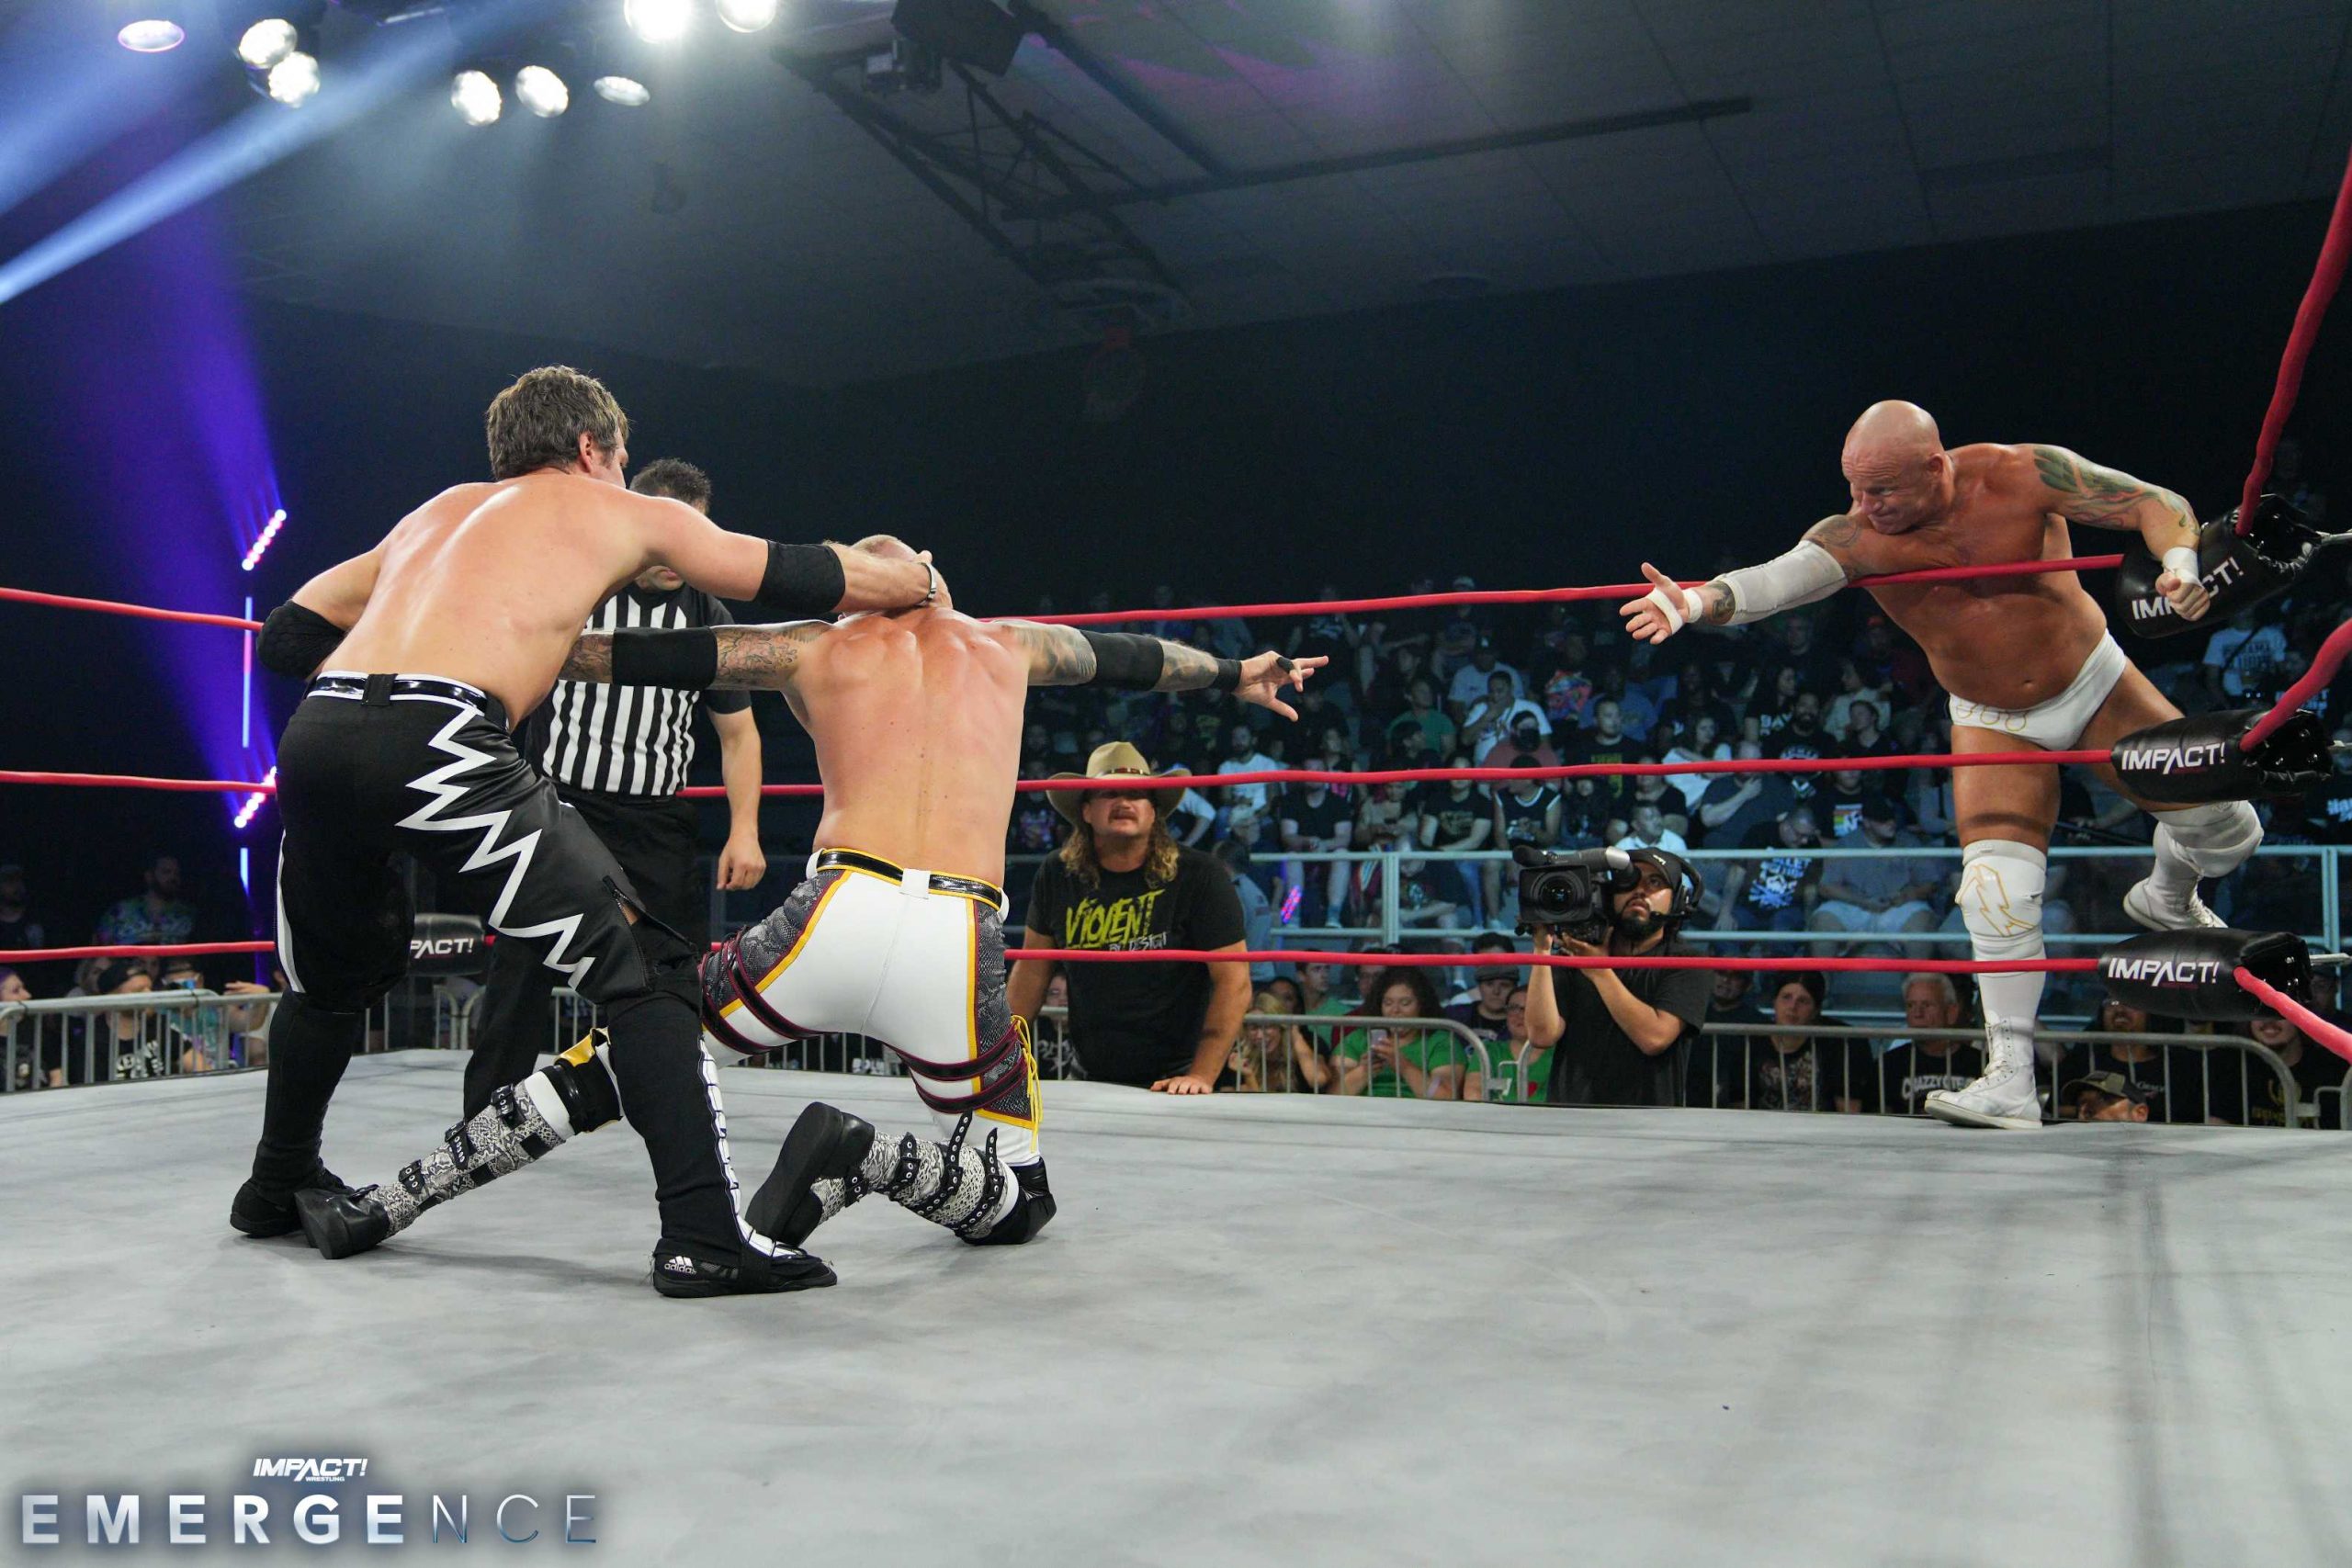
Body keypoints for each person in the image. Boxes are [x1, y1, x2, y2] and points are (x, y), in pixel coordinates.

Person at [243, 364, 940, 1298]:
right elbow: (787, 571)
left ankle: (277, 1180)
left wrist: (409, 668)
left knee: (331, 982)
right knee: (646, 967)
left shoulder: (434, 516)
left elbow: (286, 636)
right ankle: (703, 1234)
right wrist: (915, 577)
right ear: (591, 448)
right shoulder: (617, 509)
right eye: (619, 456)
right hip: (441, 738)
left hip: (320, 733)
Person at [561, 573, 1318, 1252]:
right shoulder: (1005, 645)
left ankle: (478, 1150)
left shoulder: (822, 646)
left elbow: (669, 653)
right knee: (1023, 1200)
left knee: (641, 1045)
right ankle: (869, 1158)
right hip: (956, 931)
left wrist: (533, 648)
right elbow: (1130, 657)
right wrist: (1232, 672)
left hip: (836, 907)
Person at [1623, 400, 2241, 1131]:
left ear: (1934, 465)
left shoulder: (2020, 473)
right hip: (1992, 721)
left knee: (2230, 826)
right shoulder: (1857, 537)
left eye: (1882, 488)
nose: (1865, 504)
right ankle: (2010, 1078)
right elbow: (1774, 581)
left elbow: (2152, 502)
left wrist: (2179, 565)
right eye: (1855, 487)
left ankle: (2167, 892)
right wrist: (1696, 603)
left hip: (2094, 681)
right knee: (1995, 893)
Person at [463, 457, 769, 1122]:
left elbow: (739, 734)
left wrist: (745, 829)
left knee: (670, 973)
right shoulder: (580, 586)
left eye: (692, 532)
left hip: (655, 819)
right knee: (522, 962)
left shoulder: (706, 614)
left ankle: (665, 1106)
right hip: (561, 804)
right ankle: (484, 1119)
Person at [1014, 739, 1275, 1096]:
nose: (1124, 802)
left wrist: (1201, 1075)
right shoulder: (1058, 874)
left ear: (1154, 811)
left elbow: (1234, 981)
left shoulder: (1199, 875)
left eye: (1137, 794)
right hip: (1090, 1074)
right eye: (1110, 793)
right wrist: (1001, 1060)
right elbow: (1032, 970)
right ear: (1086, 810)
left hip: (1178, 1077)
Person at [1522, 849, 1713, 1106]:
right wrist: (1542, 950)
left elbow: (1654, 1038)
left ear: (1678, 900)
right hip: (1572, 1115)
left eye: (1655, 882)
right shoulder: (1577, 952)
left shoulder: (1688, 963)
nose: (1640, 891)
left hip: (1648, 1120)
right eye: (1628, 881)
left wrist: (1599, 971)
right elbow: (1541, 1035)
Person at [1736, 972, 1877, 1113]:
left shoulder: (1842, 1042)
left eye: (1803, 1001)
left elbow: (1849, 1111)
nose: (1792, 1007)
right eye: (1786, 997)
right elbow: (1739, 1102)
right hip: (1763, 1124)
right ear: (1774, 1002)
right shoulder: (1753, 1039)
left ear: (1816, 1010)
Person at [1330, 967, 1467, 1099]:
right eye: (1388, 1003)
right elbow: (1332, 1096)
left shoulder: (1441, 1042)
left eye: (1405, 1003)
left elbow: (1445, 1097)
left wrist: (1403, 1066)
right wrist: (1363, 1071)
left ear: (1422, 1005)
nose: (1395, 1010)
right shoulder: (1357, 1039)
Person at [1875, 974, 1985, 1116]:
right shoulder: (1888, 1064)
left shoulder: (1983, 1065)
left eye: (1927, 1005)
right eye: (1910, 1005)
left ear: (1951, 1012)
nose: (1917, 1014)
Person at [1463, 985, 1550, 1104]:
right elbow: (1473, 1092)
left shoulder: (1560, 1053)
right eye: (1513, 1008)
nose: (1520, 1015)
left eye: (1529, 1008)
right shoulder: (1488, 1051)